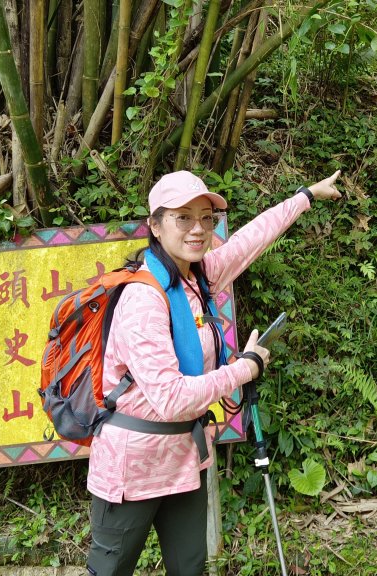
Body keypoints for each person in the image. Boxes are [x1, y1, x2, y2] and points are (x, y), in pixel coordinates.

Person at [86, 169, 343, 576]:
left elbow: (248, 242)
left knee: (190, 568)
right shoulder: (142, 299)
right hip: (132, 466)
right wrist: (244, 369)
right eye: (183, 217)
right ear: (154, 225)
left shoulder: (197, 277)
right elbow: (171, 398)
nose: (198, 229)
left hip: (186, 459)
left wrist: (304, 196)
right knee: (110, 572)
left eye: (206, 218)